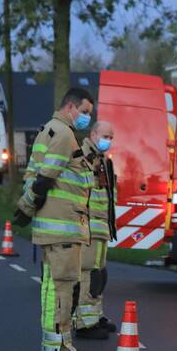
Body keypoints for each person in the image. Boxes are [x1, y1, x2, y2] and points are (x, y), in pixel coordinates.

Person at [14, 88, 95, 351]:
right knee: (63, 287)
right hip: (63, 226)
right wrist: (26, 207)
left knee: (53, 286)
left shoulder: (50, 131)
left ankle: (54, 344)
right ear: (71, 107)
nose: (87, 118)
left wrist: (26, 206)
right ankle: (60, 346)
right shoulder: (62, 133)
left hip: (57, 225)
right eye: (85, 112)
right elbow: (45, 178)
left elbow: (36, 175)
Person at [74, 120, 117, 339]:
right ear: (93, 134)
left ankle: (95, 315)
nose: (108, 140)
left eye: (111, 137)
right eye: (105, 136)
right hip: (89, 226)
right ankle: (84, 323)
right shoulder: (84, 158)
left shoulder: (103, 160)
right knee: (89, 274)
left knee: (99, 274)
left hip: (100, 228)